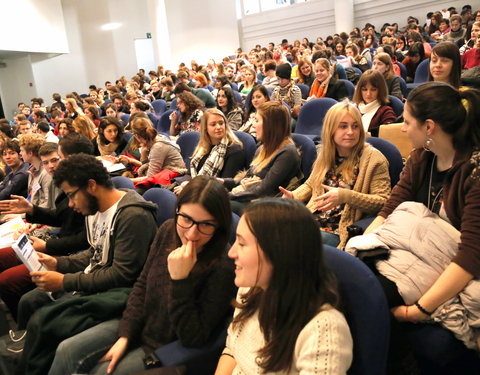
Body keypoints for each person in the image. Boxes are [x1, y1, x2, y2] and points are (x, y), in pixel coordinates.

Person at [48, 176, 237, 375]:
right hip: (140, 323)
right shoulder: (167, 231)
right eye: (186, 219)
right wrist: (126, 335)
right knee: (67, 350)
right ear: (177, 212)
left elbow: (194, 337)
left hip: (164, 346)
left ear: (220, 226)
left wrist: (180, 281)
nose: (191, 234)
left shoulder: (224, 264)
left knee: (102, 371)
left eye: (206, 224)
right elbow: (142, 284)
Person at [363, 82, 480, 371]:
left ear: (429, 127)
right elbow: (394, 203)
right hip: (418, 254)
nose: (402, 128)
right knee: (355, 279)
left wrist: (418, 311)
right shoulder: (421, 156)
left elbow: (470, 256)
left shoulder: (475, 171)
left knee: (367, 298)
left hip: (454, 263)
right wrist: (365, 245)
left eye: (407, 121)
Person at [15, 153, 158, 330]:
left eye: (71, 195)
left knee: (43, 321)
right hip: (93, 281)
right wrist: (58, 263)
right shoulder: (96, 208)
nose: (70, 204)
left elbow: (121, 275)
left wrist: (65, 281)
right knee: (28, 301)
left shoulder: (133, 216)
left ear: (91, 186)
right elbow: (96, 252)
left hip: (116, 294)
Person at [215, 198, 353, 374]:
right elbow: (232, 351)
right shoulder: (251, 288)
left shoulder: (323, 331)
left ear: (278, 253)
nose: (232, 252)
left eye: (242, 243)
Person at [280, 101, 390, 248]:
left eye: (355, 126)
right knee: (271, 228)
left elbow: (383, 202)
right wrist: (293, 196)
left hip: (338, 230)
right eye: (343, 126)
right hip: (312, 220)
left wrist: (345, 196)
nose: (350, 132)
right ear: (330, 130)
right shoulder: (325, 154)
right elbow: (311, 184)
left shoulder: (374, 159)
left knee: (293, 241)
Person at [223, 102, 302, 213]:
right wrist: (223, 182)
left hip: (265, 207)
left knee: (217, 205)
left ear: (271, 125)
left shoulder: (288, 153)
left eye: (257, 120)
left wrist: (227, 196)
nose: (253, 125)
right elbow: (246, 180)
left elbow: (264, 190)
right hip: (250, 198)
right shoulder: (262, 148)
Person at [174, 109, 245, 196]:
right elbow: (190, 173)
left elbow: (223, 185)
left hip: (211, 195)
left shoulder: (234, 149)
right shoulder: (202, 147)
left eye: (221, 123)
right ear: (205, 128)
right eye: (213, 124)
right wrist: (185, 183)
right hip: (196, 188)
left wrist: (189, 188)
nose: (218, 127)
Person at [126, 117, 186, 186]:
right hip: (166, 173)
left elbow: (150, 177)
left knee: (134, 187)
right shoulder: (153, 141)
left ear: (137, 136)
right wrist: (143, 154)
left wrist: (128, 180)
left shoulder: (158, 147)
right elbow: (150, 167)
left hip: (174, 178)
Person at [353, 70, 397, 136]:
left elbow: (389, 137)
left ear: (380, 90)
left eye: (373, 89)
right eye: (364, 89)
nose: (368, 94)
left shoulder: (386, 112)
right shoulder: (353, 109)